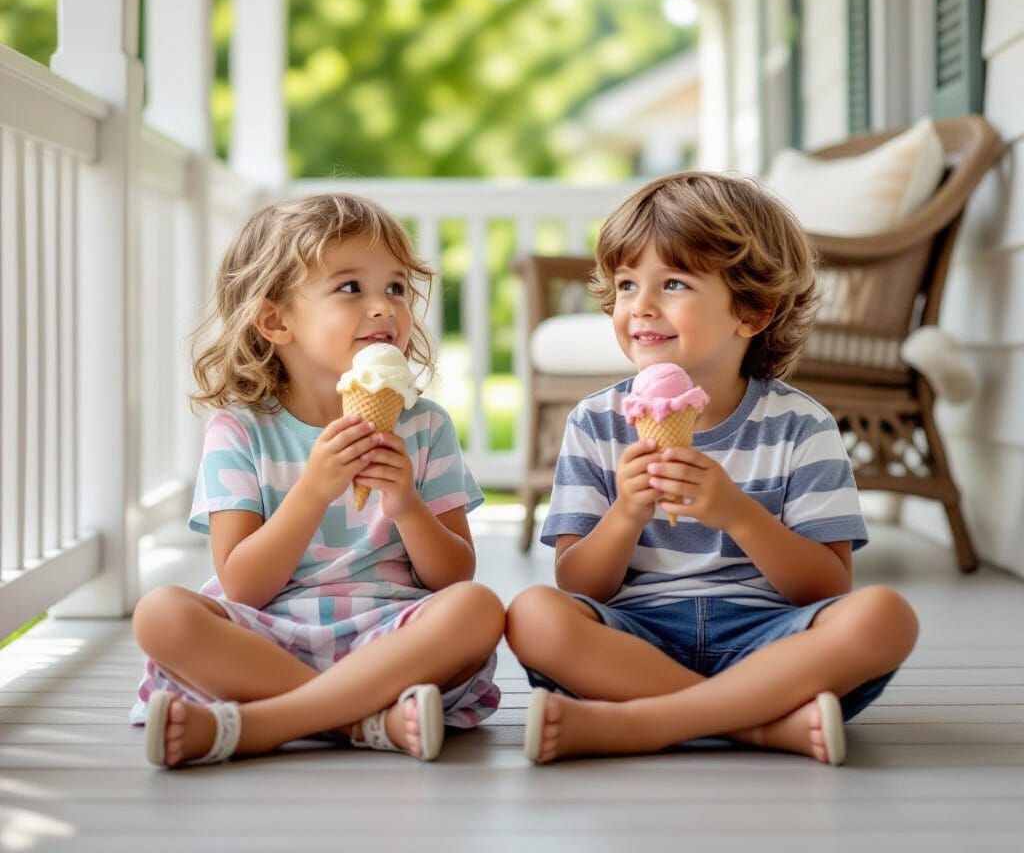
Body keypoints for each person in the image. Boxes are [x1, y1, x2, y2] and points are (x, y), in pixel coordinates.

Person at [504, 171, 918, 765]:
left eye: (672, 283)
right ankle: (760, 727)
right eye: (625, 285)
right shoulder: (595, 424)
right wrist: (625, 514)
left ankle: (644, 723)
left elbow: (827, 587)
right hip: (636, 639)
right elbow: (579, 585)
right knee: (533, 614)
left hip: (768, 642)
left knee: (885, 616)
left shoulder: (803, 427)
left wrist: (738, 514)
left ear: (751, 311)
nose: (640, 307)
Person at [132, 193, 504, 768]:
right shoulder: (240, 431)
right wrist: (311, 492)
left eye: (398, 288)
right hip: (267, 634)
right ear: (277, 320)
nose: (384, 307)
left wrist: (405, 504)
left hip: (391, 634)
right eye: (351, 287)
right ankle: (363, 722)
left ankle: (260, 725)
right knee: (160, 613)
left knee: (476, 608)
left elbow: (454, 575)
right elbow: (242, 588)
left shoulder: (425, 426)